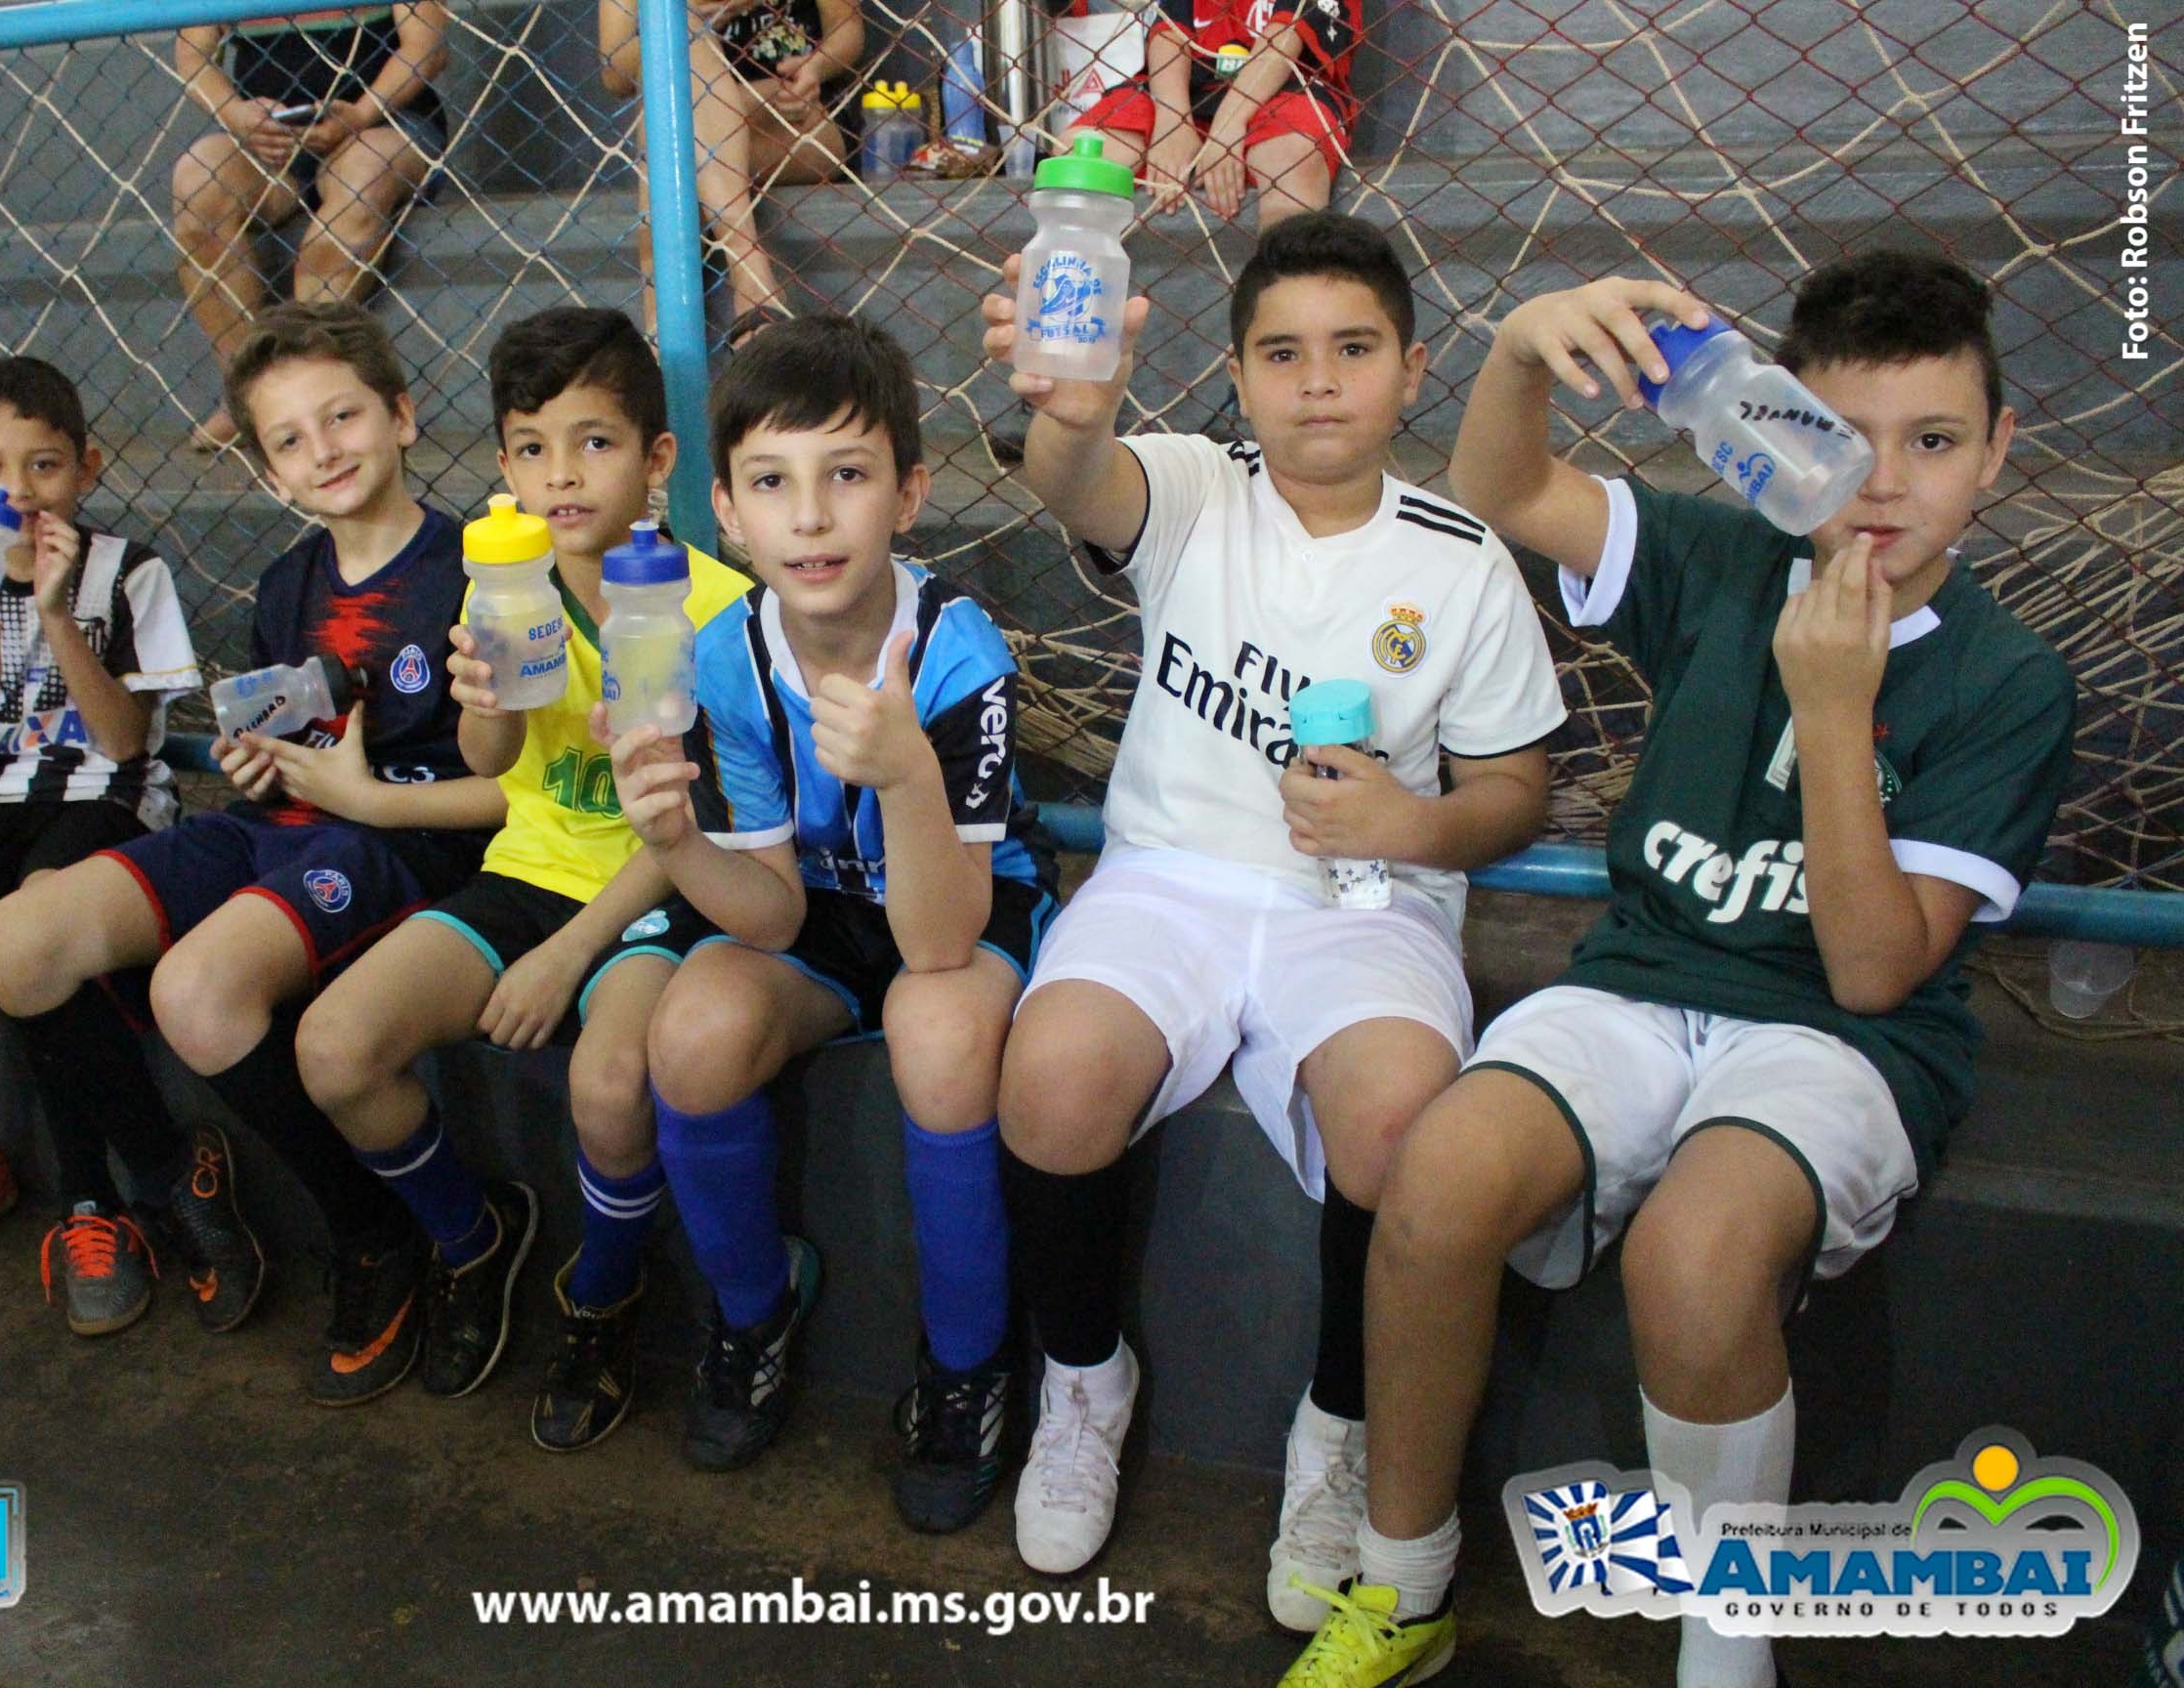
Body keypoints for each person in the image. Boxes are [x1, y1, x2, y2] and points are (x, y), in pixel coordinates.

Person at [1283, 251, 2077, 1687]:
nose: (1883, 484)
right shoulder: (1727, 556)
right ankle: (1400, 1586)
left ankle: (1729, 1638)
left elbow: (1877, 970)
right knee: (1440, 1177)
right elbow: (1506, 493)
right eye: (1839, 438)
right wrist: (1523, 349)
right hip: (1641, 980)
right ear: (1774, 434)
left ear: (1999, 451)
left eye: (1937, 441)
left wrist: (1838, 714)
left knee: (1697, 1257)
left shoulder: (2009, 678)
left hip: (1837, 1035)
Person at [978, 212, 1565, 1604]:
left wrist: (1414, 822)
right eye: (1283, 353)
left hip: (1365, 903)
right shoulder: (1193, 487)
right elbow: (1078, 482)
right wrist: (1067, 417)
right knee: (1050, 1080)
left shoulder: (1460, 560)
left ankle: (1344, 1427)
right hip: (1170, 875)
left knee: (1400, 1119)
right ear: (1236, 377)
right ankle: (1082, 1380)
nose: (1317, 382)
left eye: (1352, 350)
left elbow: (1515, 791)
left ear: (1412, 370)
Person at [0, 303, 502, 1396]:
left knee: (198, 993)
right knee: (19, 943)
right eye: (289, 439)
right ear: (268, 467)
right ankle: (176, 1176)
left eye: (343, 416)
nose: (324, 451)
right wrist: (259, 760)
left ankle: (373, 1231)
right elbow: (291, 739)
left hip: (400, 844)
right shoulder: (284, 588)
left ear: (403, 415)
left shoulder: (481, 568)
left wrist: (355, 789)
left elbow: (519, 795)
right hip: (284, 823)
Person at [607, 315, 1056, 1532]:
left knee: (943, 1029)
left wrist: (908, 773)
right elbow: (770, 908)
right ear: (729, 512)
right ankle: (753, 1309)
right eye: (772, 483)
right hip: (816, 907)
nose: (809, 517)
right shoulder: (720, 661)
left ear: (908, 495)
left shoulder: (957, 651)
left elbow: (938, 942)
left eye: (845, 476)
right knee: (692, 1028)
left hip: (948, 902)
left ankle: (967, 1360)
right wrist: (677, 844)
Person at [294, 306, 750, 1425]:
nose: (563, 476)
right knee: (335, 1048)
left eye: (595, 443)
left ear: (656, 459)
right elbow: (496, 765)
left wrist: (570, 953)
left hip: (655, 890)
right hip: (528, 867)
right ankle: (469, 1236)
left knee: (608, 1082)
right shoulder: (507, 582)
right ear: (503, 463)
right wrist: (477, 697)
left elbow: (699, 830)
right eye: (533, 448)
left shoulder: (718, 609)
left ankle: (602, 1293)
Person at [0, 356, 241, 1340]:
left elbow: (122, 742)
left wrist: (59, 613)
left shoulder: (127, 572)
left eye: (44, 467)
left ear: (88, 468)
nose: (17, 494)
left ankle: (99, 1203)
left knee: (24, 941)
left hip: (107, 802)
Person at [172, 6, 451, 449]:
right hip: (273, 144)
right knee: (197, 181)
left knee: (361, 173)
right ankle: (249, 391)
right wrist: (235, 113)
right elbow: (192, 53)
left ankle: (319, 393)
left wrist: (359, 115)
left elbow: (427, 48)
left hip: (385, 124)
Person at [599, 0, 861, 343]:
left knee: (671, 148)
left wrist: (815, 67)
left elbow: (848, 28)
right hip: (696, 113)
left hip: (798, 114)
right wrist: (685, 19)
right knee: (682, 44)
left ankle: (661, 342)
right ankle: (752, 281)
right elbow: (614, 72)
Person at [1069, 0, 1360, 231]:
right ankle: (1081, 291)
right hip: (1185, 86)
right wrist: (1173, 120)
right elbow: (1169, 31)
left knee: (1295, 159)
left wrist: (1230, 121)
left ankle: (1282, 291)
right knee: (1079, 155)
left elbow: (1287, 33)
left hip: (1283, 86)